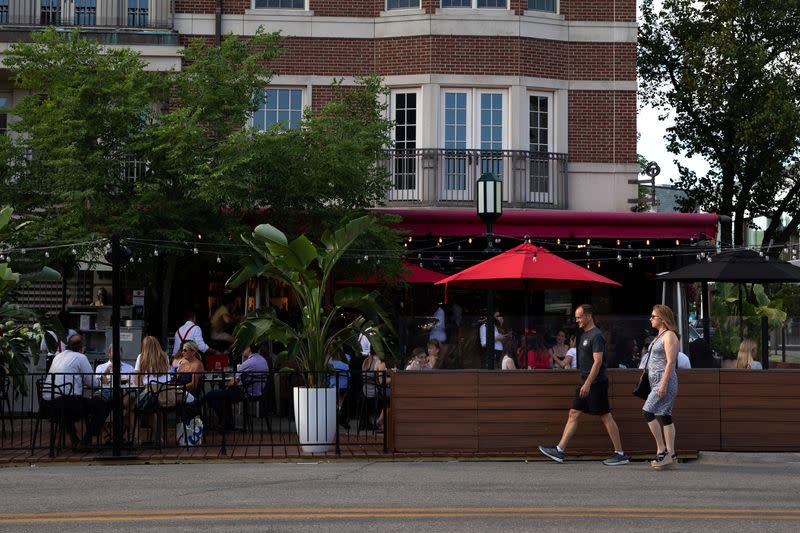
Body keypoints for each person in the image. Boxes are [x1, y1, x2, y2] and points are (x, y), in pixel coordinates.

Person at [539, 304, 629, 466]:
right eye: (576, 317)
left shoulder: (596, 336)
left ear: (588, 316)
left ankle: (620, 454)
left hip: (596, 383)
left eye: (579, 317)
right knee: (574, 413)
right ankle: (559, 451)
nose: (577, 320)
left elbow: (598, 361)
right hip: (586, 382)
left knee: (605, 416)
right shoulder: (584, 335)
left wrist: (587, 384)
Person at [46, 334, 111, 448]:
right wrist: (102, 381)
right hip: (69, 403)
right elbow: (92, 383)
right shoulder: (81, 357)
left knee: (68, 407)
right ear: (82, 347)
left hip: (49, 404)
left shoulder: (58, 356)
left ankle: (75, 440)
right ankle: (87, 439)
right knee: (103, 406)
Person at [641, 304, 680, 469]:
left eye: (653, 316)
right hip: (656, 380)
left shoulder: (669, 336)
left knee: (647, 412)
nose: (651, 319)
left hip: (665, 380)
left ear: (662, 319)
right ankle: (671, 455)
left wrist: (663, 383)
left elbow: (670, 362)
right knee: (665, 415)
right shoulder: (659, 336)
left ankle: (661, 449)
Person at [206, 344, 269, 430]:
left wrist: (227, 384)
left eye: (244, 348)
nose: (242, 350)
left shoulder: (247, 363)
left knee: (211, 395)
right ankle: (227, 422)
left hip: (246, 393)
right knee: (225, 395)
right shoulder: (263, 360)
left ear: (249, 349)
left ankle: (226, 422)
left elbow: (234, 382)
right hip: (260, 392)